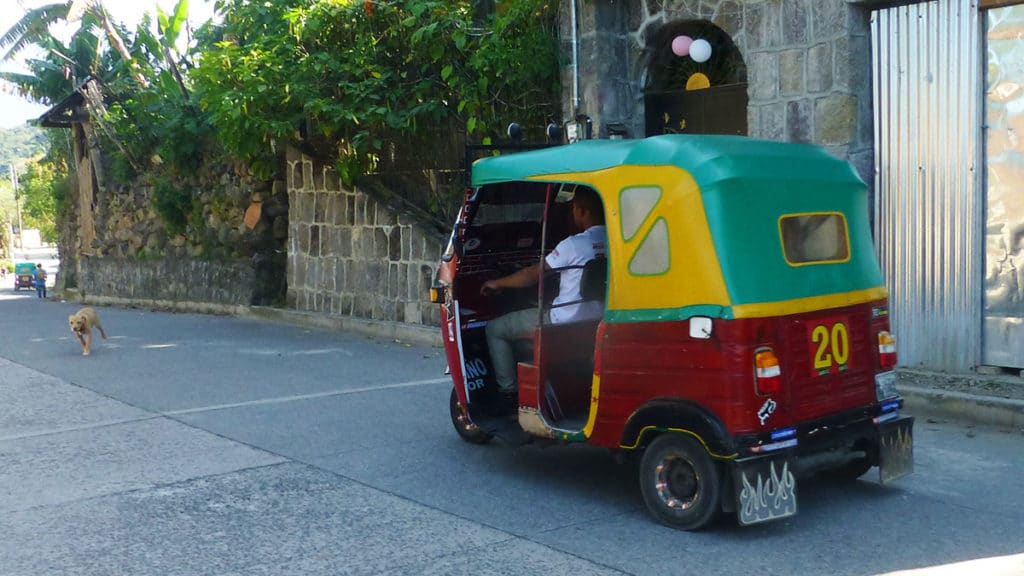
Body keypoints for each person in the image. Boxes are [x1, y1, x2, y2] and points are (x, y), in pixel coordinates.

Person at [480, 187, 607, 408]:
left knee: (494, 329)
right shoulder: (617, 242)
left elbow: (532, 275)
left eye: (573, 208)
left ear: (581, 211)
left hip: (562, 323)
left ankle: (508, 394)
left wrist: (498, 283)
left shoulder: (573, 244)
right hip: (597, 322)